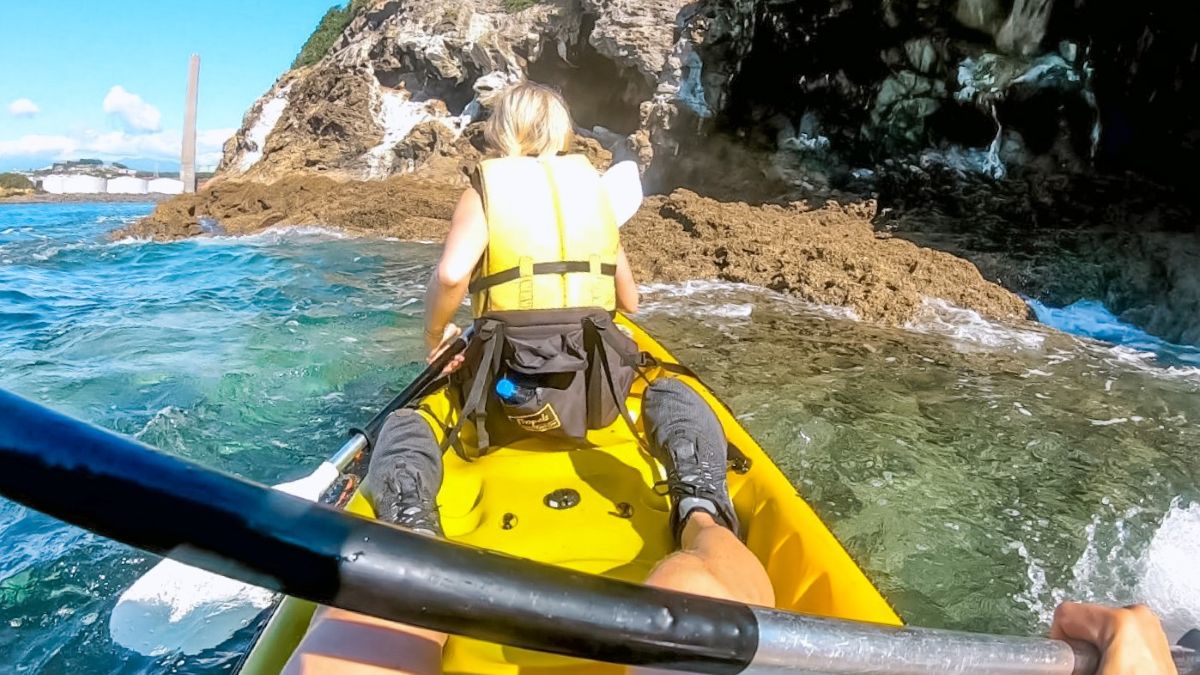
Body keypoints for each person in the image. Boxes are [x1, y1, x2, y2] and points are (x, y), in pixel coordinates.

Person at [284, 81, 773, 674]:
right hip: (595, 390)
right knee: (679, 423)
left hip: (503, 387)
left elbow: (450, 274)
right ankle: (699, 505)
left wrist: (435, 338)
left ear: (501, 130)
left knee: (408, 423)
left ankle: (413, 532)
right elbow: (633, 302)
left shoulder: (487, 187)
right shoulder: (591, 193)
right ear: (564, 133)